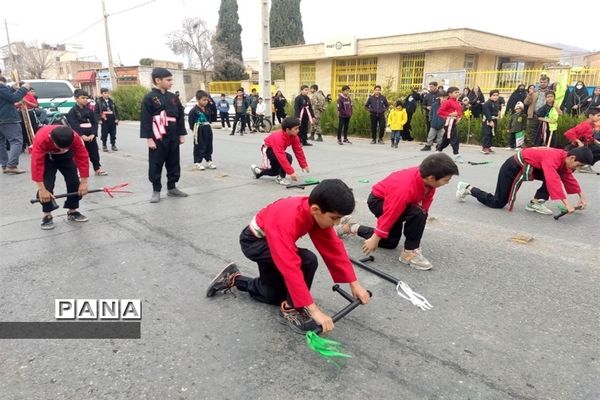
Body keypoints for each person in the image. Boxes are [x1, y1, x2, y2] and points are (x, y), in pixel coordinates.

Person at [206, 179, 371, 334]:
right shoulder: (287, 218)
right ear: (315, 210)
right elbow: (289, 265)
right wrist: (313, 310)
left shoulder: (315, 210)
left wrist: (354, 284)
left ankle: (233, 278)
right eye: (334, 218)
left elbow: (333, 248)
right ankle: (293, 308)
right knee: (307, 260)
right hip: (256, 243)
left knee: (271, 295)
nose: (336, 223)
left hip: (271, 241)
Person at [335, 153, 459, 271]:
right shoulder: (405, 188)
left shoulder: (428, 181)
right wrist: (376, 237)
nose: (447, 183)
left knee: (390, 242)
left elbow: (425, 201)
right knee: (417, 213)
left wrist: (422, 216)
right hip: (379, 202)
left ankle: (350, 227)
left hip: (397, 203)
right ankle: (409, 252)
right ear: (431, 178)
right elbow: (391, 213)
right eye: (446, 180)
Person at [456, 147, 592, 215]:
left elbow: (567, 177)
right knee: (498, 203)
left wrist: (581, 197)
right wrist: (567, 204)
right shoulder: (554, 157)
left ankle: (535, 203)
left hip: (530, 167)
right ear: (572, 158)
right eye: (578, 165)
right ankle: (468, 188)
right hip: (513, 166)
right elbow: (553, 180)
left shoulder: (564, 158)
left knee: (558, 175)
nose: (577, 168)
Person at [140, 67, 188, 203]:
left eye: (171, 79)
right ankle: (156, 190)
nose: (171, 82)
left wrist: (181, 134)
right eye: (168, 80)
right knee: (156, 163)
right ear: (158, 80)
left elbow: (179, 116)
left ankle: (172, 187)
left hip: (172, 134)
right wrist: (149, 139)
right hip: (157, 135)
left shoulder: (173, 97)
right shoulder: (149, 98)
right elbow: (146, 119)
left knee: (173, 161)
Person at [30, 125, 90, 229]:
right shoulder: (41, 138)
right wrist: (42, 189)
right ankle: (47, 214)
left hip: (66, 157)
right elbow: (36, 164)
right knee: (47, 186)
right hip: (47, 157)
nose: (62, 149)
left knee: (74, 182)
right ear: (51, 139)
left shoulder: (75, 137)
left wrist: (84, 182)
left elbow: (82, 157)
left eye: (65, 147)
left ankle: (72, 210)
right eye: (60, 147)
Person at [250, 117, 309, 185]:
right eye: (296, 128)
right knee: (288, 157)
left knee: (275, 171)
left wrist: (303, 165)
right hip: (268, 149)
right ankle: (280, 178)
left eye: (298, 128)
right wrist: (291, 172)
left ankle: (258, 172)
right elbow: (281, 156)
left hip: (276, 150)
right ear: (287, 130)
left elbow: (298, 150)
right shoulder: (279, 138)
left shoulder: (295, 137)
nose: (298, 130)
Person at [67, 89, 107, 177]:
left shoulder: (89, 110)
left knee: (94, 152)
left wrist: (93, 134)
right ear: (76, 98)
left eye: (86, 98)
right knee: (79, 154)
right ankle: (78, 170)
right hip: (80, 137)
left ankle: (97, 168)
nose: (85, 100)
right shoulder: (72, 112)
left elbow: (94, 122)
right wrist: (82, 135)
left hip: (91, 136)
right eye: (83, 98)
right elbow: (74, 124)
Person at [0, 77, 30, 174]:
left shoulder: (3, 88)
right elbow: (13, 98)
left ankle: (4, 165)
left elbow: (6, 96)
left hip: (2, 118)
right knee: (16, 141)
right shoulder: (1, 87)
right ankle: (12, 165)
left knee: (1, 143)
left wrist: (12, 89)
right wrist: (24, 88)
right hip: (7, 117)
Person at [188, 90, 216, 171]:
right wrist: (196, 130)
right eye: (204, 100)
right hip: (199, 129)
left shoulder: (207, 109)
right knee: (199, 145)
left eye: (207, 100)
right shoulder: (193, 111)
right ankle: (197, 162)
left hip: (207, 128)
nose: (206, 102)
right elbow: (191, 123)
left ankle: (209, 160)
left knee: (208, 144)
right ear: (198, 99)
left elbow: (213, 116)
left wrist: (211, 101)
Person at [436, 86, 464, 163]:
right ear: (450, 94)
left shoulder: (458, 102)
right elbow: (440, 112)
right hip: (449, 123)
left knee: (446, 139)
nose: (457, 94)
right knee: (454, 138)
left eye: (458, 92)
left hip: (454, 122)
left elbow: (459, 112)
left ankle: (438, 151)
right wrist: (450, 114)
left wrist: (459, 117)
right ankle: (456, 155)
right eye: (456, 92)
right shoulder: (447, 102)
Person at [94, 88, 119, 152]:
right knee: (104, 133)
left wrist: (117, 118)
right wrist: (99, 119)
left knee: (113, 133)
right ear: (102, 94)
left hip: (112, 120)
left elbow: (115, 111)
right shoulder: (99, 102)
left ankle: (113, 145)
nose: (107, 94)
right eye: (105, 93)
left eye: (107, 93)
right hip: (104, 121)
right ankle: (104, 145)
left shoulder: (111, 101)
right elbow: (96, 112)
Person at [481, 89, 500, 154]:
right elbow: (487, 112)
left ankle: (489, 146)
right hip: (488, 120)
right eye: (494, 95)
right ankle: (485, 147)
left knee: (492, 134)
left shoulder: (496, 103)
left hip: (494, 119)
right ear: (490, 96)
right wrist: (490, 121)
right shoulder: (487, 103)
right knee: (487, 133)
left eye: (497, 95)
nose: (495, 97)